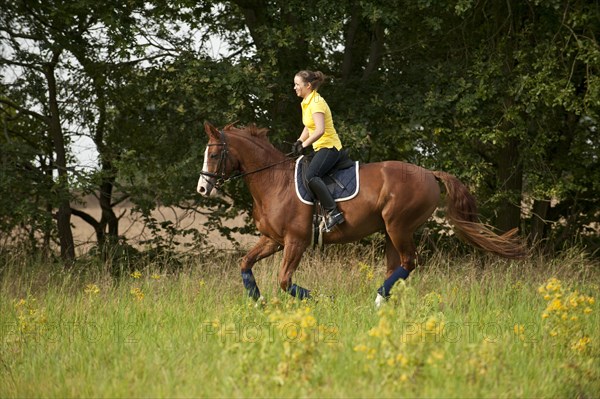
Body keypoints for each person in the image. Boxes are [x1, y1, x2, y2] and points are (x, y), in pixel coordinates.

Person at [291, 70, 345, 232]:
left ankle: (334, 213)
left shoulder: (316, 103)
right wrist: (299, 141)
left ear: (308, 86)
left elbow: (320, 130)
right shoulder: (307, 102)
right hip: (319, 147)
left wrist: (305, 144)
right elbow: (309, 125)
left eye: (297, 85)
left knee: (311, 176)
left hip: (329, 147)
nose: (294, 88)